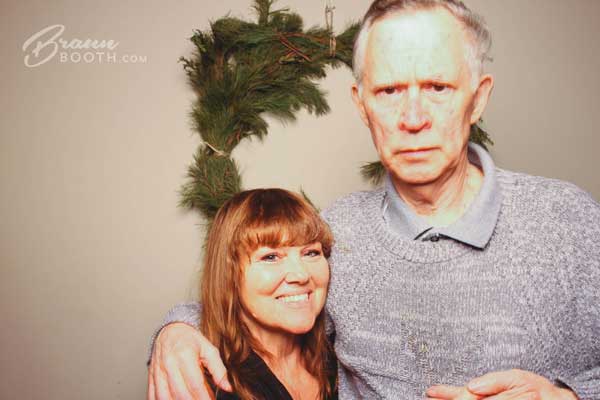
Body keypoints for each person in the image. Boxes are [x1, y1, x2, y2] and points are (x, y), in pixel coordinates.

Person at [147, 1, 600, 399]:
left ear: (477, 99)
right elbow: (258, 302)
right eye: (389, 91)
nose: (413, 118)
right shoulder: (336, 234)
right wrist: (177, 329)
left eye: (437, 88)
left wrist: (571, 396)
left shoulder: (568, 220)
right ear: (362, 105)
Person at [148, 188, 337, 400]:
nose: (301, 275)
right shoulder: (201, 379)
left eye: (311, 253)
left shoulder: (344, 355)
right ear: (229, 275)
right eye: (271, 257)